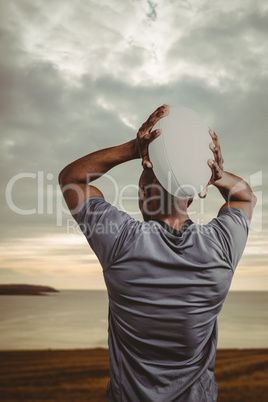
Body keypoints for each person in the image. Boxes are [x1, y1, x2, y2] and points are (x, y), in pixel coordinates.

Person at [59, 104, 257, 401]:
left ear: (142, 193)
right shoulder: (222, 246)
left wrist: (133, 148)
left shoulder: (121, 241)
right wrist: (212, 174)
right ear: (190, 198)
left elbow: (72, 179)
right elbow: (245, 196)